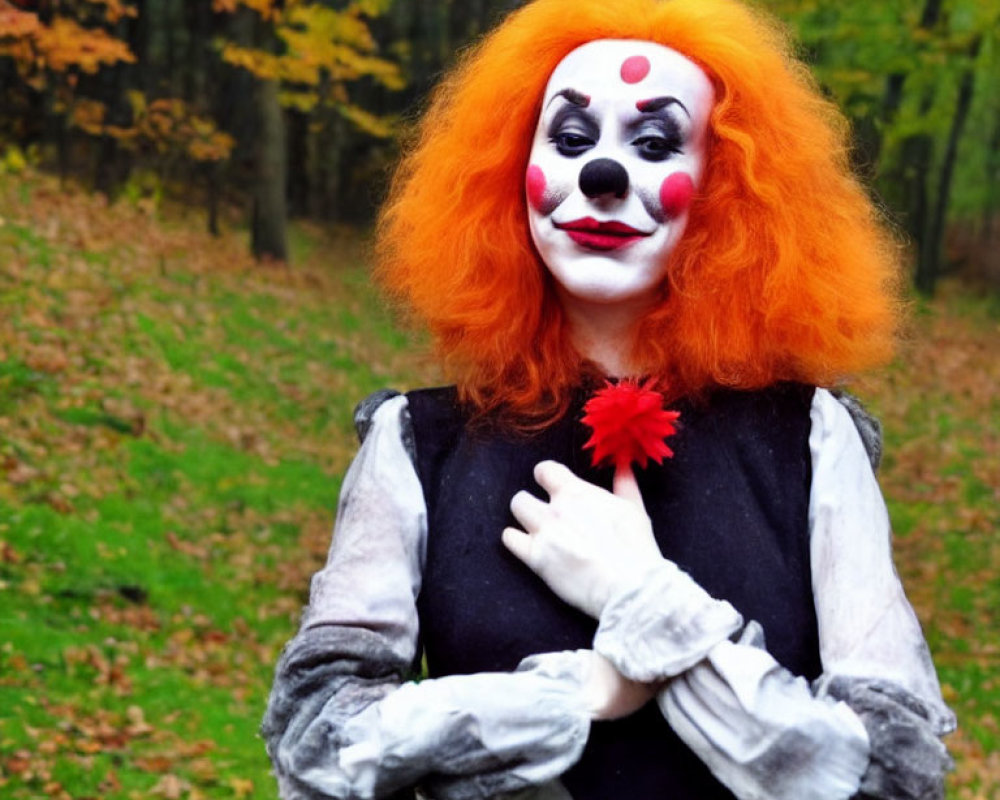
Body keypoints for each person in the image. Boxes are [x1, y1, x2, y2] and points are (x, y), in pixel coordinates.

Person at [262, 0, 955, 798]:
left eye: (656, 143)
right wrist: (571, 697)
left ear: (727, 188)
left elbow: (896, 773)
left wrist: (647, 605)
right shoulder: (419, 443)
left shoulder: (811, 441)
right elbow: (314, 745)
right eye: (571, 139)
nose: (604, 175)